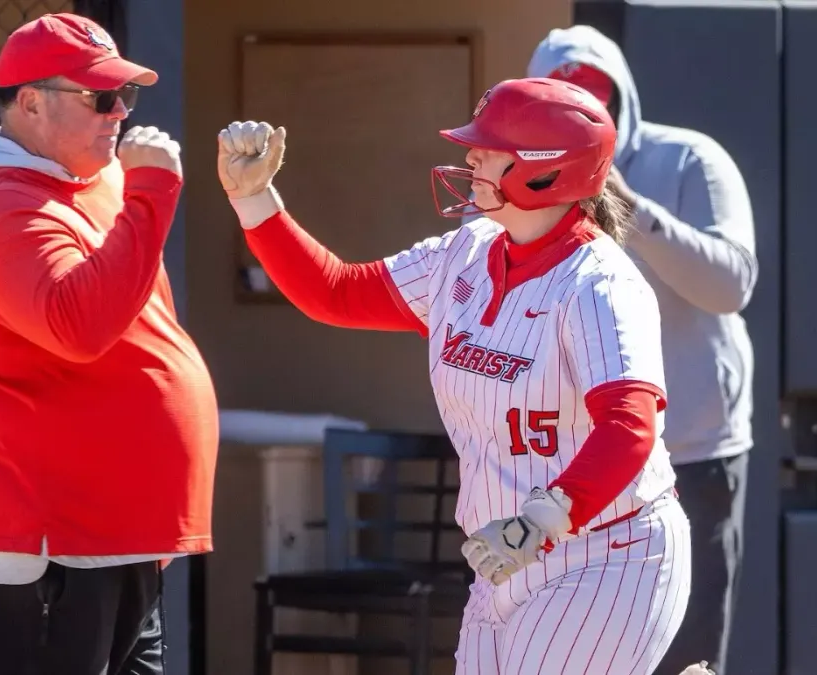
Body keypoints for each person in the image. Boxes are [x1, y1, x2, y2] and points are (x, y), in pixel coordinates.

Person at [217, 78, 708, 675]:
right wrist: (255, 201)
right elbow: (337, 293)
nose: (471, 156)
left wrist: (543, 520)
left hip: (607, 553)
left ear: (545, 170)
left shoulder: (600, 281)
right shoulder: (467, 251)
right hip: (503, 556)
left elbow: (630, 426)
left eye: (490, 147)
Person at [0, 13, 219, 675]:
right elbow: (77, 326)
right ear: (29, 101)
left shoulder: (95, 180)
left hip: (116, 534)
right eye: (99, 97)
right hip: (47, 538)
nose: (118, 113)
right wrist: (152, 195)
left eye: (125, 96)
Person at [529, 26, 758, 675]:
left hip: (691, 453)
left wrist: (634, 211)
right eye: (563, 103)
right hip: (574, 470)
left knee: (688, 661)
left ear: (623, 99)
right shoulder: (517, 178)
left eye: (596, 101)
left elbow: (732, 284)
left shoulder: (691, 160)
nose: (582, 117)